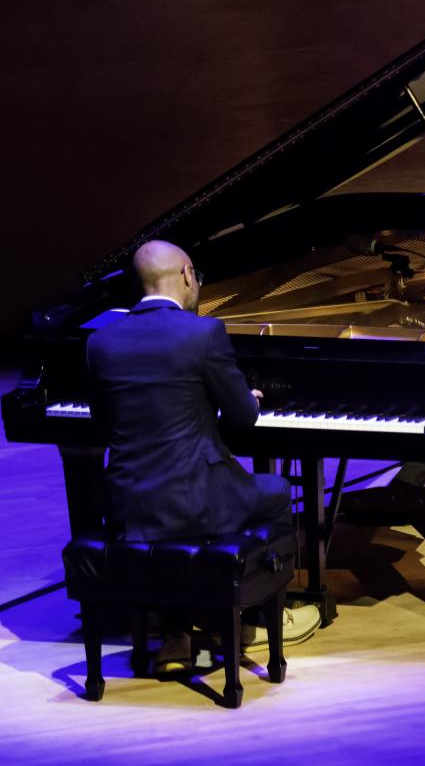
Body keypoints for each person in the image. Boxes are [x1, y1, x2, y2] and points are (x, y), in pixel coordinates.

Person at [86, 240, 320, 671]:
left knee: (172, 520)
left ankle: (176, 633)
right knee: (277, 490)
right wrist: (230, 401)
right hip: (198, 501)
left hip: (130, 506)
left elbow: (106, 423)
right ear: (187, 276)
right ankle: (258, 610)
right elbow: (244, 419)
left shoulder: (101, 342)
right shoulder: (203, 333)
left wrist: (193, 406)